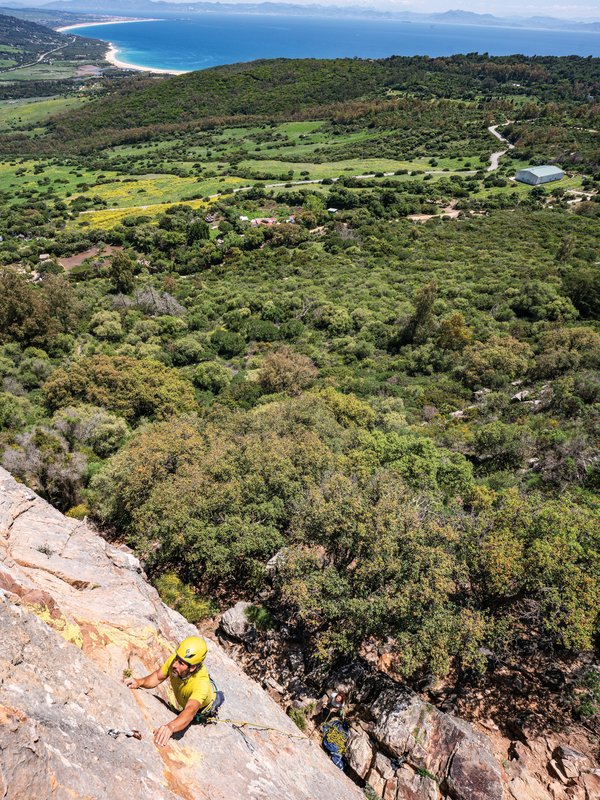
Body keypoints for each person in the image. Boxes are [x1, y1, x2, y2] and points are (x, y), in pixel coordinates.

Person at [124, 635, 224, 747]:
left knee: (217, 698)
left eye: (181, 663)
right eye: (177, 658)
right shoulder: (175, 661)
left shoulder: (201, 684)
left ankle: (219, 696)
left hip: (204, 707)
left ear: (192, 668)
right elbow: (158, 676)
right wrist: (139, 682)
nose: (175, 664)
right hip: (188, 696)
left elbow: (191, 710)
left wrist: (170, 727)